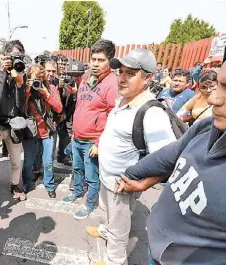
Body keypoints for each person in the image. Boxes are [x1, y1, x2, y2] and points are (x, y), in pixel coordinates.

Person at [117, 38, 226, 265]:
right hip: (156, 249)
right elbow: (171, 154)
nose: (213, 98)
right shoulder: (207, 128)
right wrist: (132, 173)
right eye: (219, 85)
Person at [84, 48, 178, 265]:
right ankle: (105, 231)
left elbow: (168, 158)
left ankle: (114, 260)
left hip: (122, 184)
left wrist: (142, 185)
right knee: (107, 214)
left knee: (119, 227)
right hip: (107, 178)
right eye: (121, 72)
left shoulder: (152, 112)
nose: (122, 78)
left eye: (130, 73)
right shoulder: (123, 100)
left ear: (147, 78)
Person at [62, 39, 119, 220]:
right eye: (93, 59)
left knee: (92, 177)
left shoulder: (112, 83)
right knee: (77, 169)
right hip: (78, 137)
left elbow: (113, 117)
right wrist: (73, 133)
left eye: (100, 60)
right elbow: (80, 105)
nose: (95, 63)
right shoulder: (86, 76)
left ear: (110, 60)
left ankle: (89, 204)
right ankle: (77, 191)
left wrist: (99, 143)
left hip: (92, 142)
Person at [0, 40, 27, 204]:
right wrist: (2, 72)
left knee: (16, 160)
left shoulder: (21, 71)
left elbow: (20, 103)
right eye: (14, 55)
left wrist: (20, 83)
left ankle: (15, 185)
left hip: (14, 126)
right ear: (6, 55)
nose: (16, 59)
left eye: (19, 55)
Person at [22, 64, 62, 196]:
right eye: (35, 79)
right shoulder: (25, 90)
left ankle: (49, 185)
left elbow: (59, 108)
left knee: (48, 161)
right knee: (28, 161)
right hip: (30, 132)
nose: (37, 82)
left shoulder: (51, 88)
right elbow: (20, 108)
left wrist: (46, 94)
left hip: (47, 131)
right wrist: (28, 89)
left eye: (40, 78)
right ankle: (27, 183)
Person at [56, 55, 77, 166]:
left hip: (69, 110)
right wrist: (59, 87)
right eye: (61, 64)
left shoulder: (71, 78)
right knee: (60, 134)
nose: (63, 67)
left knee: (66, 135)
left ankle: (63, 155)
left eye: (65, 64)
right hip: (58, 111)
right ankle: (60, 155)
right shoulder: (54, 77)